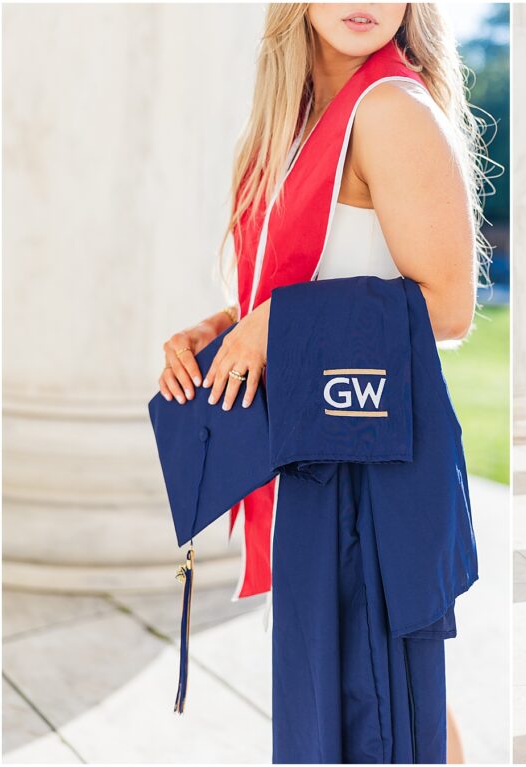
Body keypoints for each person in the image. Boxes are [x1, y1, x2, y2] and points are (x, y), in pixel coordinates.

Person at [157, 3, 491, 761]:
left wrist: (275, 323)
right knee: (388, 709)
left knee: (375, 719)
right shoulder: (302, 119)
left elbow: (447, 302)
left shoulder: (388, 110)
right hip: (319, 453)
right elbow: (324, 274)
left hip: (366, 468)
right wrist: (222, 330)